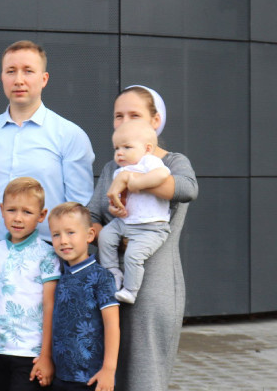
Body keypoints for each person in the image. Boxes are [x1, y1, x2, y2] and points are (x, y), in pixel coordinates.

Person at [87, 86, 197, 391]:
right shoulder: (112, 166)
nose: (124, 121)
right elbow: (92, 216)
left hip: (153, 289)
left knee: (144, 377)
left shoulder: (173, 162)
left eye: (134, 115)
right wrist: (105, 237)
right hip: (110, 285)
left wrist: (130, 180)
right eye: (118, 116)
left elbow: (187, 189)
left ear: (155, 120)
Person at [0, 40, 94, 241]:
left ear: (44, 79)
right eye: (11, 71)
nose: (19, 80)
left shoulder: (70, 135)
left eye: (28, 71)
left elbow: (78, 206)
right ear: (2, 77)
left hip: (50, 250)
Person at [0, 177, 60, 390]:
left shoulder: (47, 254)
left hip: (30, 354)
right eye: (11, 210)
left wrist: (46, 355)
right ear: (1, 210)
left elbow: (50, 305)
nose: (18, 218)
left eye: (27, 212)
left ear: (41, 215)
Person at [98, 122, 171, 304]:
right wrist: (115, 208)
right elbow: (118, 199)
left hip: (151, 227)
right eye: (116, 148)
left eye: (127, 147)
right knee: (105, 236)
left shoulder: (149, 162)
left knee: (133, 255)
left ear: (147, 148)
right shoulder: (119, 172)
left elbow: (162, 174)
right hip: (124, 222)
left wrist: (137, 182)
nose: (119, 153)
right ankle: (113, 271)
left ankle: (131, 290)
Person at [48, 203, 118, 391]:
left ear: (89, 235)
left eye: (70, 233)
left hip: (91, 378)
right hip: (61, 377)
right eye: (56, 234)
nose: (63, 240)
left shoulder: (101, 277)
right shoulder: (60, 275)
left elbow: (112, 325)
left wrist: (109, 369)